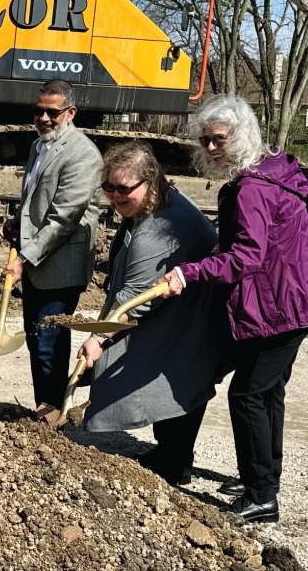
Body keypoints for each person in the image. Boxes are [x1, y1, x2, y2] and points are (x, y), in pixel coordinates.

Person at [160, 95, 308, 523]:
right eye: (204, 140)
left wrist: (190, 272)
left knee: (248, 395)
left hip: (276, 305)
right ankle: (265, 479)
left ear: (240, 136)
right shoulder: (275, 170)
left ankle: (261, 495)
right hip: (292, 299)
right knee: (267, 392)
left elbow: (247, 257)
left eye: (218, 139)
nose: (210, 148)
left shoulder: (250, 188)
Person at [76, 141, 221, 485]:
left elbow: (134, 300)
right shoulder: (158, 202)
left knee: (173, 378)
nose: (115, 195)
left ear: (149, 182)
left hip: (191, 312)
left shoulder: (156, 231)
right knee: (171, 375)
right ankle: (170, 452)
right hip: (182, 306)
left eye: (124, 188)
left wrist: (97, 340)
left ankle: (174, 462)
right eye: (108, 187)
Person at [0, 79, 101, 408]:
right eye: (38, 111)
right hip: (37, 262)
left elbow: (63, 220)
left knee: (49, 342)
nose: (43, 118)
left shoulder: (82, 155)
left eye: (52, 113)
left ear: (70, 112)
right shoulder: (38, 146)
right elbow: (35, 200)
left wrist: (22, 259)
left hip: (60, 265)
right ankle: (46, 407)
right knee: (37, 338)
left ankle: (53, 414)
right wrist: (19, 222)